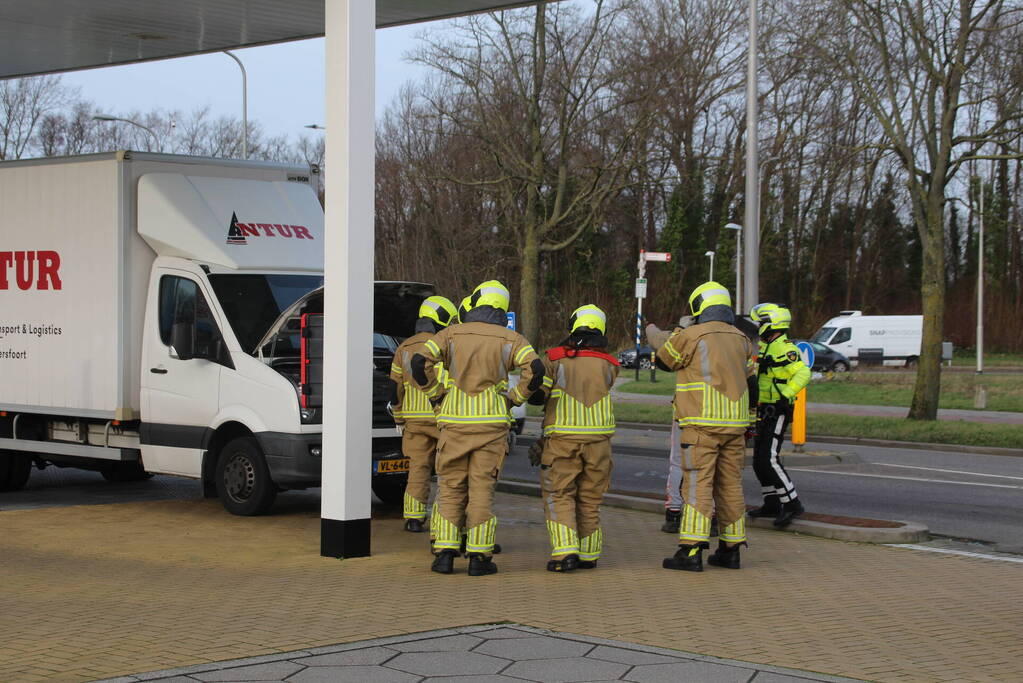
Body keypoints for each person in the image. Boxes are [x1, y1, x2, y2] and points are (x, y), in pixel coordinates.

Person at [412, 280, 545, 576]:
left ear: (475, 303)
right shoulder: (512, 339)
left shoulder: (450, 334)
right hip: (491, 426)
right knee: (482, 490)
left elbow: (420, 362)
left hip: (455, 423)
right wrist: (513, 399)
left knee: (450, 488)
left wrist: (437, 395)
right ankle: (479, 558)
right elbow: (536, 371)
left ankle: (444, 554)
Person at [655, 282, 757, 571]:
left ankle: (690, 551)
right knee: (730, 486)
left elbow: (664, 360)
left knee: (698, 484)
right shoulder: (741, 338)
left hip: (701, 424)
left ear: (698, 305)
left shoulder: (691, 335)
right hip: (735, 425)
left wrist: (678, 331)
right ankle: (731, 549)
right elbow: (749, 377)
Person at [528, 305, 618, 572]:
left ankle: (565, 553)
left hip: (563, 440)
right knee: (590, 497)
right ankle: (589, 554)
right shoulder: (611, 365)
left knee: (560, 494)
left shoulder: (554, 359)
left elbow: (537, 397)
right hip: (599, 443)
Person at [389, 295, 457, 534]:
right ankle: (444, 522)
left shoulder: (403, 347)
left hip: (413, 420)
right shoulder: (445, 343)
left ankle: (413, 518)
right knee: (449, 473)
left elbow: (394, 387)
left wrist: (398, 416)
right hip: (441, 416)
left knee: (418, 469)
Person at [748, 303, 811, 528]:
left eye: (761, 323)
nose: (758, 327)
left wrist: (786, 394)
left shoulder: (785, 348)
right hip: (764, 408)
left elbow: (803, 372)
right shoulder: (767, 346)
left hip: (778, 409)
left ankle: (792, 503)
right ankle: (772, 502)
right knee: (758, 461)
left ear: (772, 324)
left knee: (769, 458)